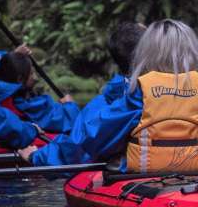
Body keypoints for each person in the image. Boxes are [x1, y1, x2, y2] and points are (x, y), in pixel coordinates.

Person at [21, 19, 198, 175]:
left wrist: (38, 157)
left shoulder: (138, 93)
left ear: (147, 52)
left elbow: (91, 140)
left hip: (145, 178)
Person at [22, 21, 146, 165]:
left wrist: (35, 156)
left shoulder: (110, 102)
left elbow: (78, 143)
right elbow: (78, 143)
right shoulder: (165, 89)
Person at [0, 50, 79, 133]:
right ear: (20, 79)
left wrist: (13, 57)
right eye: (31, 73)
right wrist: (70, 105)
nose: (35, 78)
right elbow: (69, 120)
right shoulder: (24, 105)